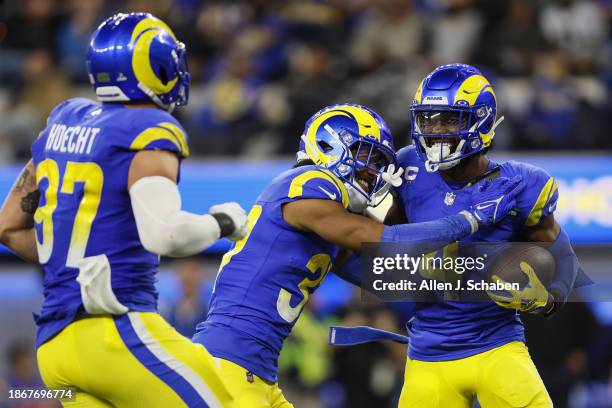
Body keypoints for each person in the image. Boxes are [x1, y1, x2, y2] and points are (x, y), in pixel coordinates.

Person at [192, 103, 525, 407]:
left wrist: (482, 282)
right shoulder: (309, 182)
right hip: (229, 362)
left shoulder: (331, 220)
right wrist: (469, 219)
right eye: (367, 155)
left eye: (380, 162)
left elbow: (389, 274)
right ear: (330, 143)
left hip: (256, 370)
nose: (373, 171)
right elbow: (384, 240)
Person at [0, 12, 249, 408]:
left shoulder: (62, 124)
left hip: (54, 348)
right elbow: (165, 233)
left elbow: (9, 228)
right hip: (116, 331)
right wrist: (224, 222)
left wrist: (71, 263)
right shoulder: (147, 127)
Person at [392, 63, 582, 407]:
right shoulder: (407, 169)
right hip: (427, 354)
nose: (434, 130)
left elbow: (561, 250)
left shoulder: (521, 184)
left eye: (448, 119)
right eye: (428, 119)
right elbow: (377, 247)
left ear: (480, 120)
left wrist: (551, 297)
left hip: (496, 345)